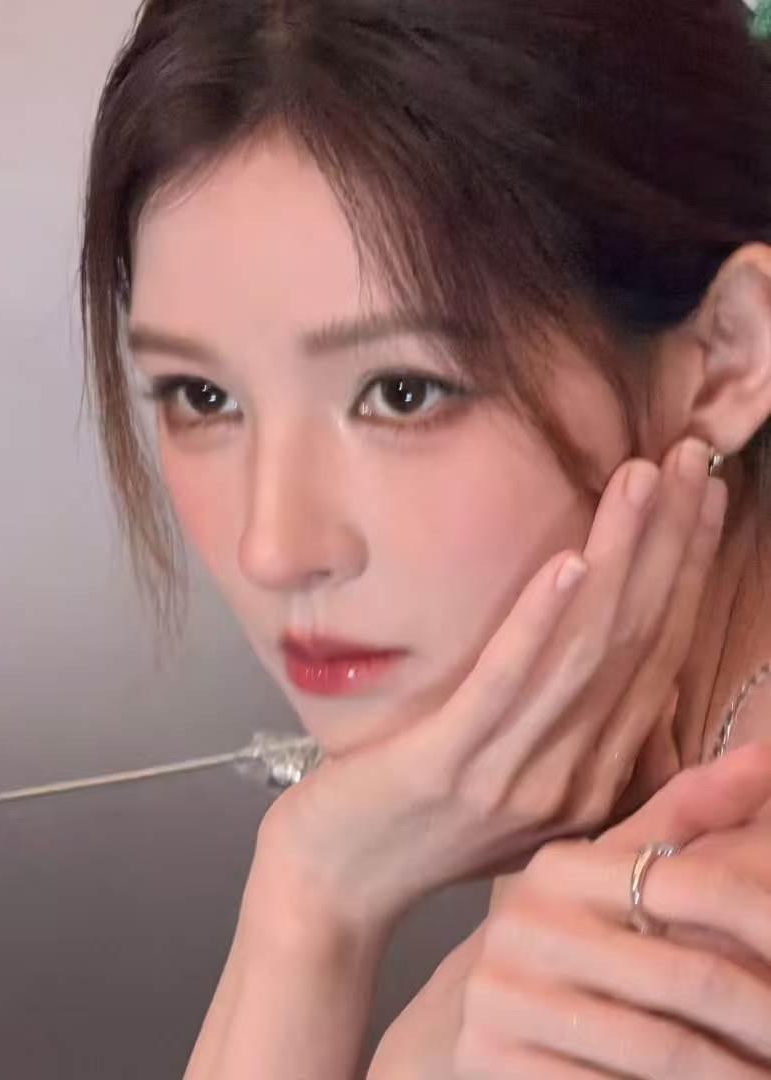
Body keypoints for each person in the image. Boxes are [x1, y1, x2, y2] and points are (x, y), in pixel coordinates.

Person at [79, 1, 771, 1075]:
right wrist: (311, 891)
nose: (274, 548)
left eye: (402, 392)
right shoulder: (590, 774)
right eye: (202, 396)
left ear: (725, 358)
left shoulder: (711, 957)